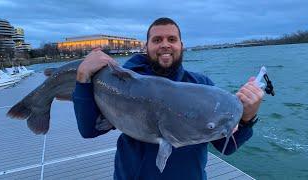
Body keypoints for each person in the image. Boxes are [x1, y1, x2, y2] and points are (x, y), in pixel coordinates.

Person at [72, 17, 264, 180]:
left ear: (181, 45)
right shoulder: (122, 81)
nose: (165, 44)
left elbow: (226, 146)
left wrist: (247, 118)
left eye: (172, 39)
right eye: (157, 40)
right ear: (146, 47)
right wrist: (82, 79)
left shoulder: (203, 85)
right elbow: (89, 130)